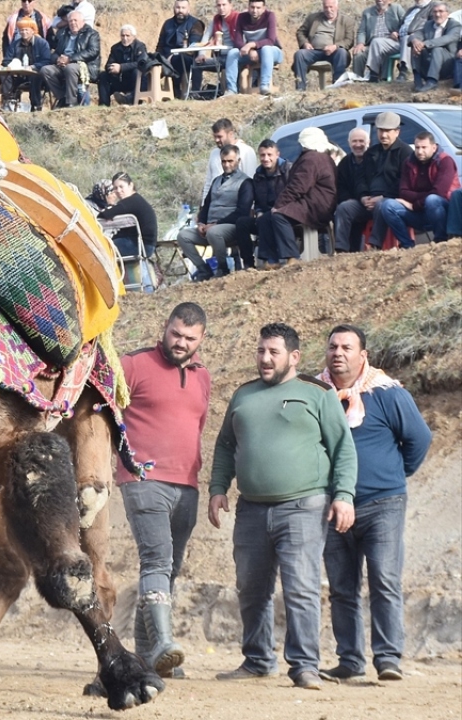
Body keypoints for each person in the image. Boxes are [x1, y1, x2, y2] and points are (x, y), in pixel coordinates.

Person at [209, 322, 357, 691]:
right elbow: (225, 446)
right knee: (251, 588)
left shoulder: (317, 393)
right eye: (261, 351)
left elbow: (343, 448)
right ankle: (258, 660)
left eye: (273, 352)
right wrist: (217, 488)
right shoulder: (243, 395)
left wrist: (344, 496)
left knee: (301, 588)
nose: (265, 358)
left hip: (304, 506)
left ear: (293, 357)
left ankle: (305, 666)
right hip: (251, 509)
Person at [318, 325, 431, 683]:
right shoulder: (316, 394)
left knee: (384, 579)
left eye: (346, 347)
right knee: (341, 588)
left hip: (383, 504)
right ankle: (350, 660)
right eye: (333, 346)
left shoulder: (386, 393)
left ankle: (388, 659)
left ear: (362, 355)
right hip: (333, 506)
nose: (338, 353)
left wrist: (392, 474)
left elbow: (419, 438)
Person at [117, 302, 210, 678]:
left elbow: (197, 427)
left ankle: (147, 657)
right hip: (144, 479)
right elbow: (101, 411)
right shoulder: (133, 364)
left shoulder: (203, 377)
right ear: (165, 327)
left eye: (189, 338)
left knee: (168, 568)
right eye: (175, 334)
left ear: (201, 339)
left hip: (186, 485)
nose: (180, 342)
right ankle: (164, 643)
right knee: (156, 560)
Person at [262, 127, 339, 267]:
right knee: (266, 218)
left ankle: (293, 257)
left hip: (316, 206)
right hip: (313, 203)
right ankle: (272, 259)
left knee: (279, 216)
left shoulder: (312, 159)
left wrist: (279, 205)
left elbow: (298, 186)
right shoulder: (320, 157)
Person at [179, 145, 250, 280]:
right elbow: (206, 206)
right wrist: (201, 223)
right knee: (183, 236)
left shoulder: (245, 182)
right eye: (224, 161)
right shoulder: (216, 181)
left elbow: (242, 212)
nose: (227, 165)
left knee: (214, 232)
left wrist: (216, 224)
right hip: (210, 227)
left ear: (238, 161)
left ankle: (223, 268)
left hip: (230, 226)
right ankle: (203, 270)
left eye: (230, 161)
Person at [379, 131, 459, 247]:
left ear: (433, 147)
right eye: (417, 147)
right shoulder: (408, 162)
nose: (420, 151)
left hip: (442, 211)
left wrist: (415, 205)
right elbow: (403, 192)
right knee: (387, 205)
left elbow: (439, 193)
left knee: (432, 200)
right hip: (419, 212)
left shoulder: (445, 161)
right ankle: (407, 245)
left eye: (424, 147)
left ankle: (441, 240)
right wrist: (419, 202)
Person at [355, 111, 415, 248]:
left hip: (392, 200)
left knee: (382, 205)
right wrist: (363, 196)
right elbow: (360, 178)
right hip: (369, 200)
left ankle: (374, 245)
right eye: (381, 130)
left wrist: (383, 196)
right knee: (345, 208)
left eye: (388, 131)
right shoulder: (371, 152)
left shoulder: (405, 152)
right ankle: (342, 249)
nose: (383, 135)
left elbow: (404, 181)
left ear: (397, 132)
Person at [236, 139, 290, 269]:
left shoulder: (288, 169)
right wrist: (259, 211)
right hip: (265, 214)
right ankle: (249, 264)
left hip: (285, 213)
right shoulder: (258, 175)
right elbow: (258, 201)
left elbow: (294, 193)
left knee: (266, 219)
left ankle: (271, 260)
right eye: (262, 155)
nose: (266, 158)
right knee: (242, 223)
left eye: (269, 155)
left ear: (277, 154)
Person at [39, 11, 99, 107]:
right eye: (70, 21)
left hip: (83, 66)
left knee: (70, 68)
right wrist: (58, 59)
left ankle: (71, 102)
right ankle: (62, 97)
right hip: (63, 64)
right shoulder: (63, 33)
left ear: (83, 21)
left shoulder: (92, 34)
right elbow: (56, 52)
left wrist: (70, 59)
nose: (73, 23)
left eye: (75, 20)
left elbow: (93, 51)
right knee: (45, 70)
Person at [293, 0, 357, 90]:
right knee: (300, 54)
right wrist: (305, 43)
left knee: (341, 52)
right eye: (326, 7)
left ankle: (338, 87)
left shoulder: (347, 21)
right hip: (314, 51)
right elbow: (300, 32)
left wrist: (335, 46)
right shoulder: (313, 18)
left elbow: (349, 40)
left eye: (331, 7)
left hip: (335, 53)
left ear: (337, 6)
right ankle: (300, 88)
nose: (328, 10)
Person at [225, 0, 284, 95]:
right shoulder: (242, 17)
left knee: (266, 49)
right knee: (233, 53)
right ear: (248, 7)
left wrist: (251, 45)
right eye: (252, 7)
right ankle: (231, 90)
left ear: (264, 8)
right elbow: (237, 41)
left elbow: (270, 40)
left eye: (258, 8)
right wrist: (250, 51)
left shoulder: (269, 16)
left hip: (272, 52)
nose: (255, 10)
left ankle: (264, 86)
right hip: (252, 53)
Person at [98, 172, 158, 258]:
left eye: (121, 186)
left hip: (141, 246)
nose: (118, 191)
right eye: (115, 188)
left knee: (100, 247)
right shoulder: (136, 199)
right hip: (146, 245)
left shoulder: (130, 202)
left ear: (130, 185)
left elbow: (104, 215)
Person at [0, 16, 52, 110]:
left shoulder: (42, 43)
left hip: (37, 76)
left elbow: (47, 61)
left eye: (26, 30)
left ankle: (36, 106)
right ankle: (9, 102)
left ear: (33, 30)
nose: (24, 32)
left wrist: (33, 67)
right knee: (3, 74)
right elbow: (6, 61)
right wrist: (13, 65)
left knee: (35, 76)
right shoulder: (15, 44)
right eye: (21, 30)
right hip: (18, 75)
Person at [333, 128, 372, 251]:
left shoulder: (375, 158)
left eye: (361, 141)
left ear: (368, 142)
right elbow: (339, 187)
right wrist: (349, 199)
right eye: (354, 141)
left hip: (376, 201)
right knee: (344, 208)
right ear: (349, 143)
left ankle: (377, 247)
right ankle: (341, 249)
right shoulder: (344, 163)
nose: (358, 145)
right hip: (356, 204)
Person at [157, 0, 206, 98]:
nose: (180, 10)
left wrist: (172, 56)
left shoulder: (196, 24)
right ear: (174, 8)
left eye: (183, 8)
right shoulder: (167, 23)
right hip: (166, 56)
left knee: (179, 59)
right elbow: (160, 45)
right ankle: (138, 94)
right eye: (178, 7)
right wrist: (158, 58)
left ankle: (176, 88)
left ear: (188, 9)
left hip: (187, 57)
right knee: (146, 62)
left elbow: (193, 47)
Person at [408, 2, 460, 91]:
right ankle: (417, 80)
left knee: (437, 49)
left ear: (447, 13)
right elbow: (417, 34)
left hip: (447, 64)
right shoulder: (429, 24)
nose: (437, 14)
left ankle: (432, 81)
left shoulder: (455, 25)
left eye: (441, 11)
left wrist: (424, 44)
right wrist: (414, 41)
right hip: (429, 62)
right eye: (435, 12)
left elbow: (446, 39)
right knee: (415, 47)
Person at [202, 119, 258, 200]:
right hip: (215, 202)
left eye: (219, 137)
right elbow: (208, 182)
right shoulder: (214, 153)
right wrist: (204, 203)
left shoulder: (246, 151)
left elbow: (250, 179)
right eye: (215, 137)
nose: (216, 140)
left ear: (230, 134)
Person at [353, 0, 406, 80]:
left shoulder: (396, 9)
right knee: (359, 53)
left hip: (391, 43)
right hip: (372, 45)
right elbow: (362, 31)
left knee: (377, 43)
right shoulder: (367, 12)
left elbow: (406, 24)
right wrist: (360, 43)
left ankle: (375, 75)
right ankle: (357, 78)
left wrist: (397, 32)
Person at [99, 25, 148, 106]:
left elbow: (141, 63)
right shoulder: (115, 48)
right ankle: (104, 105)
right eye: (122, 35)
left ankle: (131, 100)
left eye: (127, 36)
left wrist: (121, 67)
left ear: (133, 36)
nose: (125, 38)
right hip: (120, 79)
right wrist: (112, 68)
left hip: (134, 80)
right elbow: (108, 65)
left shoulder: (140, 47)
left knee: (137, 72)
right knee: (103, 75)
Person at [397, 0, 437, 81]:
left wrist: (415, 35)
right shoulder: (411, 9)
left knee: (407, 39)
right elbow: (401, 24)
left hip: (417, 38)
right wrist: (395, 31)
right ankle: (374, 74)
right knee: (378, 42)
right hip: (398, 39)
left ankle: (404, 70)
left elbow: (432, 26)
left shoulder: (433, 6)